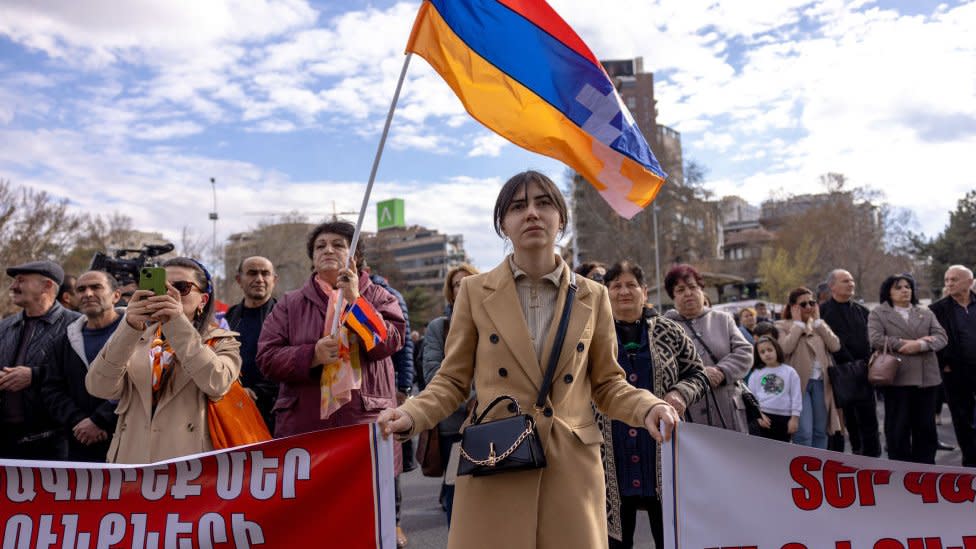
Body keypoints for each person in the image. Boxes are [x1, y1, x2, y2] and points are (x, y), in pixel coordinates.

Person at [377, 170, 679, 549]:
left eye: (544, 203)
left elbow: (607, 383)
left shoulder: (594, 295)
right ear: (503, 224)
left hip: (570, 469)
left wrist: (648, 406)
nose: (532, 213)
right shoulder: (473, 291)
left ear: (561, 220)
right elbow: (452, 381)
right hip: (497, 460)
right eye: (518, 206)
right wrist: (412, 414)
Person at [85, 258, 241, 463]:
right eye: (161, 286)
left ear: (202, 300)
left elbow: (217, 383)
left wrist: (176, 323)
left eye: (181, 287)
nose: (169, 294)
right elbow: (99, 387)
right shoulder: (135, 336)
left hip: (189, 466)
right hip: (132, 462)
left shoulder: (221, 340)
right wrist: (129, 325)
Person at [257, 221, 406, 434]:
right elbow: (267, 358)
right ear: (312, 257)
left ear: (355, 256)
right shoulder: (290, 304)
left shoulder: (380, 297)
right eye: (320, 246)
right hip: (305, 427)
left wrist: (355, 301)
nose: (328, 250)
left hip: (366, 423)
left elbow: (388, 343)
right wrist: (312, 355)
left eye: (338, 245)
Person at [601, 260, 707, 549]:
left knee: (671, 539)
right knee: (612, 542)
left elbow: (699, 373)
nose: (624, 291)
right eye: (616, 285)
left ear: (645, 292)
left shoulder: (669, 332)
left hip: (664, 452)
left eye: (631, 284)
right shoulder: (593, 335)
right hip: (609, 460)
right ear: (605, 292)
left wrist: (680, 394)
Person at [0, 260, 80, 459]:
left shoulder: (77, 325)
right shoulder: (6, 326)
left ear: (47, 286)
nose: (13, 286)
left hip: (53, 443)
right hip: (5, 439)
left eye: (21, 281)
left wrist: (35, 375)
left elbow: (84, 376)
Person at [42, 270, 124, 462]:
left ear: (116, 295)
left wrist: (100, 420)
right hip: (80, 444)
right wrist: (79, 421)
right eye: (81, 289)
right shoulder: (64, 342)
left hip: (128, 443)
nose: (87, 294)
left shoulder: (142, 335)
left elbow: (143, 385)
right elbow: (51, 389)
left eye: (96, 287)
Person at [422, 262, 480, 524]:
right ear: (451, 291)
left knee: (492, 495)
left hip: (494, 421)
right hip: (454, 427)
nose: (464, 286)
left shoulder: (495, 320)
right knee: (456, 494)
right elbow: (434, 373)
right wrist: (471, 400)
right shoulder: (439, 328)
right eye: (458, 283)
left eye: (469, 280)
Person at [664, 264, 753, 433]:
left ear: (702, 290)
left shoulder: (723, 319)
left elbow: (745, 352)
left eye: (693, 287)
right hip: (690, 412)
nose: (688, 293)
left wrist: (721, 371)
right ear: (672, 297)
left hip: (728, 409)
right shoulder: (665, 327)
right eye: (681, 290)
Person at [869, 274, 948, 464]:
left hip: (926, 379)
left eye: (908, 287)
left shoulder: (925, 312)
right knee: (898, 428)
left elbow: (941, 337)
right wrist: (906, 343)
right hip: (897, 378)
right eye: (899, 287)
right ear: (888, 291)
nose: (905, 290)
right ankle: (900, 468)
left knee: (926, 427)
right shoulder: (879, 313)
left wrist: (920, 346)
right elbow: (876, 339)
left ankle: (926, 468)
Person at [366, 265, 414, 548]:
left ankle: (393, 522)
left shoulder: (386, 295)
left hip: (385, 388)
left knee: (389, 458)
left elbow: (400, 345)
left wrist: (404, 386)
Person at [819, 269, 881, 457]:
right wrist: (847, 361)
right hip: (840, 372)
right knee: (850, 418)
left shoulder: (862, 311)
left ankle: (874, 456)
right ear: (832, 286)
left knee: (870, 417)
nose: (851, 284)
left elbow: (872, 338)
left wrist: (870, 360)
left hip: (864, 369)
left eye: (852, 280)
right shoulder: (823, 312)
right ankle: (857, 453)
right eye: (845, 281)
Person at [776, 287, 842, 449]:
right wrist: (798, 324)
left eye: (812, 303)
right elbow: (785, 349)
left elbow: (835, 346)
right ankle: (802, 467)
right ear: (793, 307)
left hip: (821, 382)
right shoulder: (781, 325)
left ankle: (819, 466)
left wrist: (819, 322)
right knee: (803, 432)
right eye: (803, 304)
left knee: (820, 430)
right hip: (798, 385)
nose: (808, 307)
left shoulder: (818, 325)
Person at [224, 256, 278, 432]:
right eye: (252, 273)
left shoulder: (285, 314)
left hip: (273, 411)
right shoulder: (229, 317)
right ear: (239, 280)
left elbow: (287, 360)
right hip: (233, 407)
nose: (259, 279)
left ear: (274, 280)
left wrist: (257, 392)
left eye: (265, 273)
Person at [930, 265, 976, 466]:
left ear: (969, 281)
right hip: (955, 371)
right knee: (961, 418)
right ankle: (970, 461)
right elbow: (934, 340)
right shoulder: (938, 309)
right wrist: (944, 364)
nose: (949, 284)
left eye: (954, 279)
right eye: (947, 280)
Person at [749, 336, 801, 442]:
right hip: (764, 417)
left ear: (776, 349)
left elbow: (796, 396)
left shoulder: (790, 372)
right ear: (758, 356)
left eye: (769, 350)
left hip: (785, 418)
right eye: (762, 352)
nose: (767, 354)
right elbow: (751, 397)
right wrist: (758, 416)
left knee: (782, 452)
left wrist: (794, 418)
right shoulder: (756, 374)